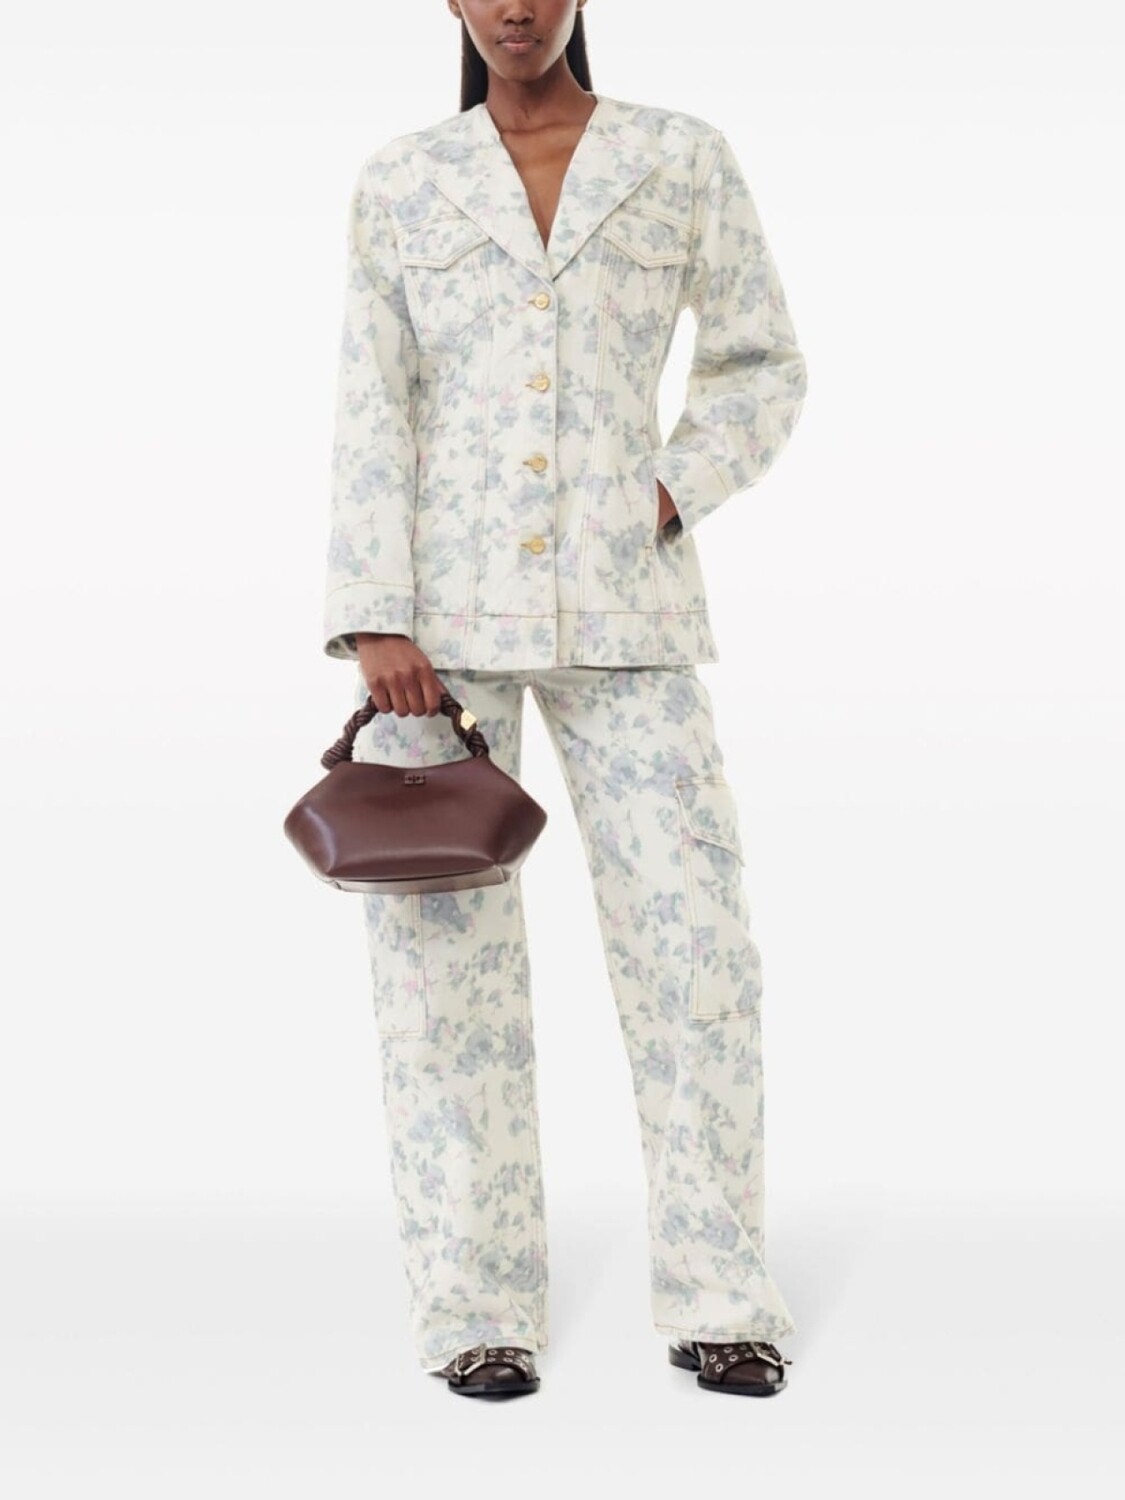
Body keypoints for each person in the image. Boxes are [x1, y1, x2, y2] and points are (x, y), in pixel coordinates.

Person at [321, 0, 807, 1399]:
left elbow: (761, 360)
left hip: (628, 613)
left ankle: (721, 1295)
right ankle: (474, 1310)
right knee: (443, 982)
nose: (516, 6)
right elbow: (374, 399)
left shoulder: (678, 156)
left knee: (694, 956)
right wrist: (374, 615)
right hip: (437, 631)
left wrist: (668, 488)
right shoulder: (403, 179)